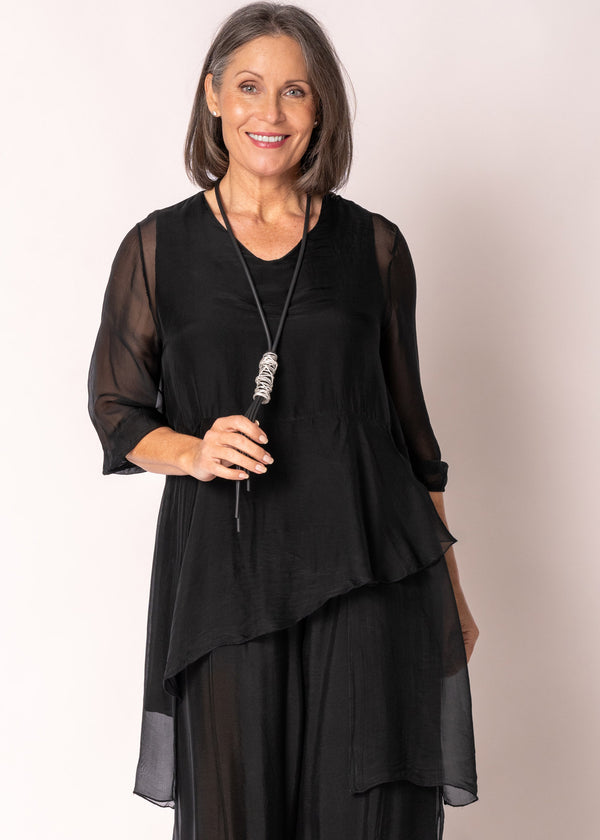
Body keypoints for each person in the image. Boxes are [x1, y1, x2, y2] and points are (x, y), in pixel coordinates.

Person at [87, 3, 479, 838]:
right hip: (225, 581)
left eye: (295, 91)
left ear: (320, 106)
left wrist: (453, 594)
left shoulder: (375, 247)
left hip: (370, 578)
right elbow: (115, 407)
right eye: (249, 87)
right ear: (213, 96)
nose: (270, 113)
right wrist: (192, 450)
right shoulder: (158, 248)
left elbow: (414, 441)